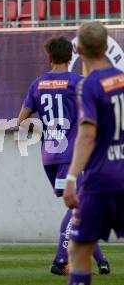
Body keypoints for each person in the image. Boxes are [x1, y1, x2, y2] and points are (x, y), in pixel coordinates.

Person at [17, 36, 110, 275]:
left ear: (49, 57)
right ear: (72, 56)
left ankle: (101, 262)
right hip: (72, 156)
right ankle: (60, 261)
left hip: (49, 157)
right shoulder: (79, 82)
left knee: (78, 208)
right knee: (79, 208)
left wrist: (45, 130)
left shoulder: (37, 84)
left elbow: (21, 120)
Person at [63, 22, 124, 285]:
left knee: (78, 250)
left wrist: (71, 178)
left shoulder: (88, 85)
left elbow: (87, 135)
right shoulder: (122, 79)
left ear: (78, 48)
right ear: (105, 45)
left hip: (101, 180)